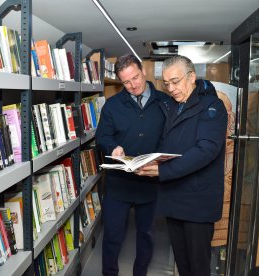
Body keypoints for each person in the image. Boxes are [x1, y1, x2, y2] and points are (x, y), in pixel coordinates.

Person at [136, 55, 228, 276]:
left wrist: (162, 170)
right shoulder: (171, 106)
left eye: (175, 82)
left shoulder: (212, 107)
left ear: (192, 77)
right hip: (174, 198)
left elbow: (205, 151)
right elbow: (167, 143)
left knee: (197, 267)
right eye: (166, 84)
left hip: (198, 202)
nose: (171, 88)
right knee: (183, 264)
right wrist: (146, 160)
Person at [95, 54, 169, 276]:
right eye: (126, 82)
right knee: (112, 236)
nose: (133, 85)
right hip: (119, 183)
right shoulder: (113, 105)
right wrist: (113, 147)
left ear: (143, 71)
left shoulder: (165, 102)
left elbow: (171, 137)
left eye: (136, 77)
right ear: (120, 81)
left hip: (150, 181)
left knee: (146, 235)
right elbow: (102, 136)